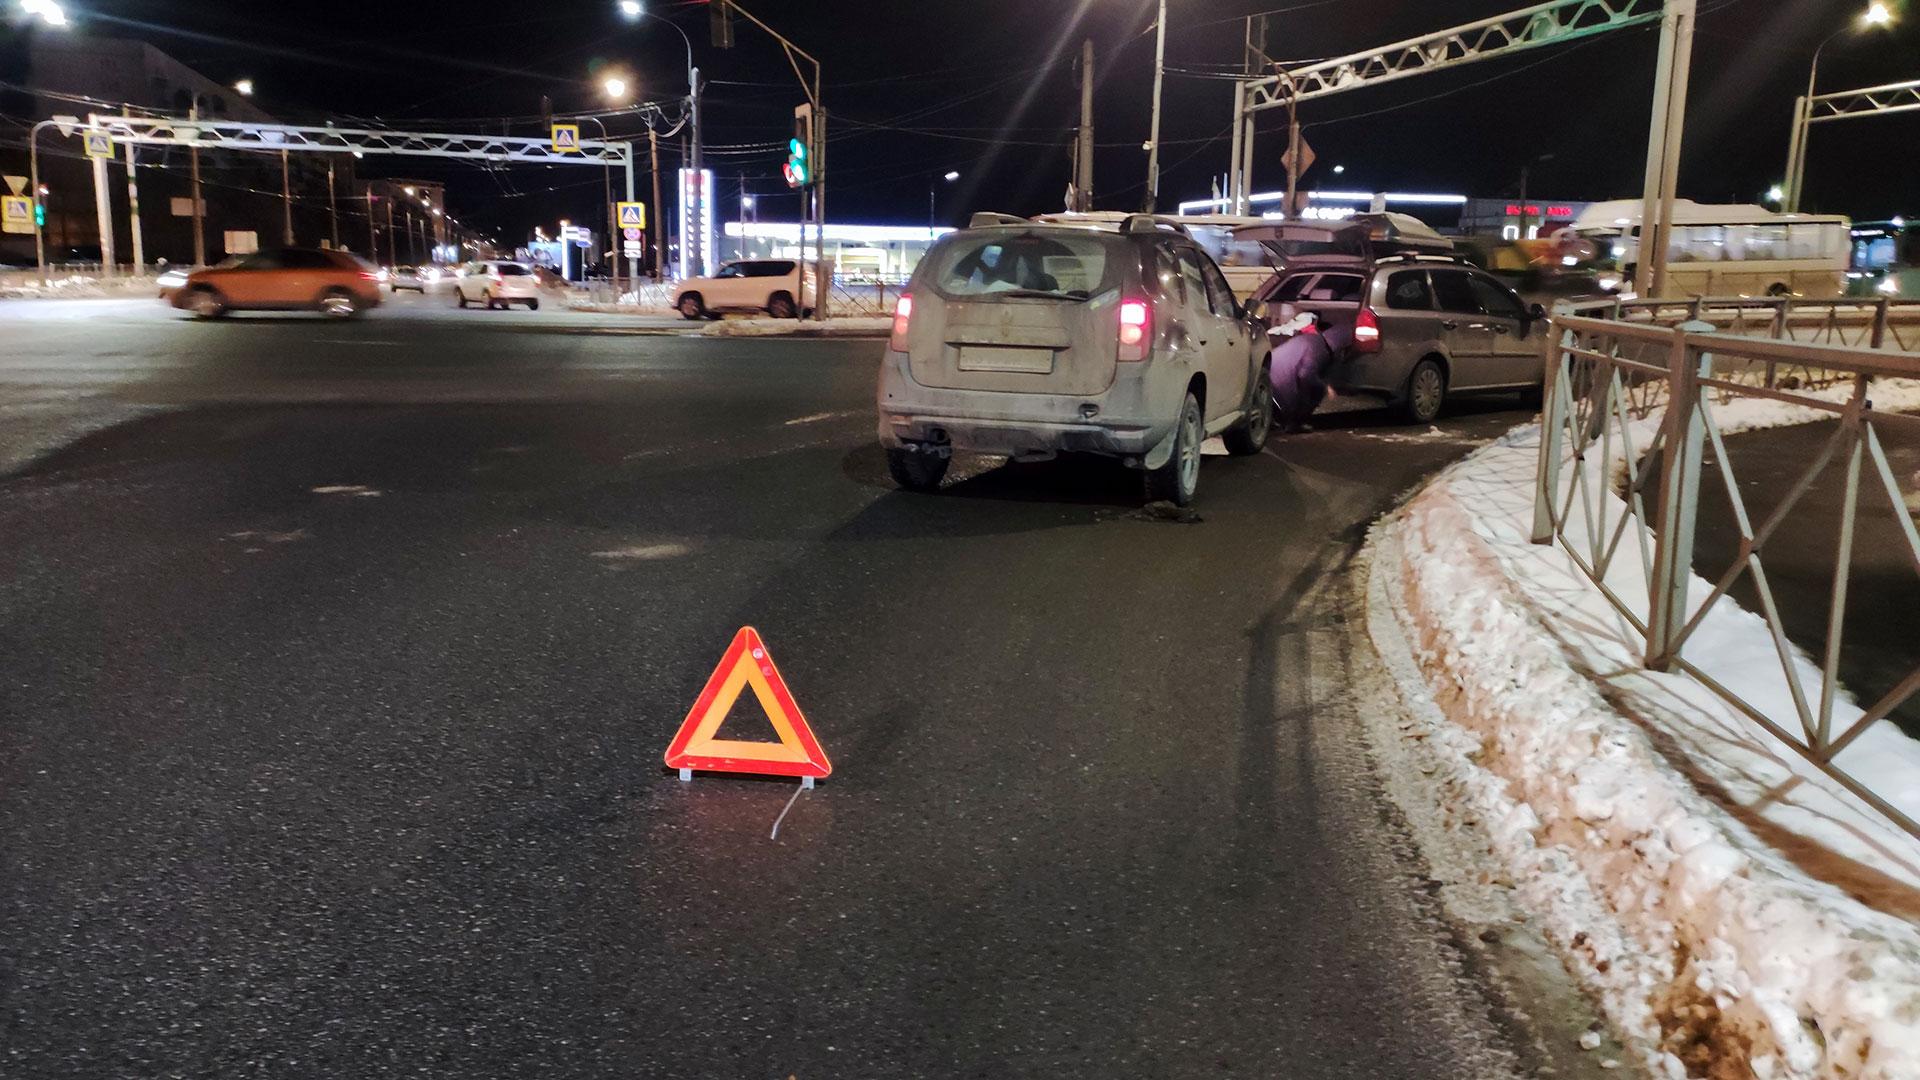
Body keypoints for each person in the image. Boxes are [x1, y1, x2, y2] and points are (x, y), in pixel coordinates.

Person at [1268, 311, 1335, 433]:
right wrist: (1325, 387)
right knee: (1316, 388)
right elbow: (1305, 375)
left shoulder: (1302, 340)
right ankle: (1296, 422)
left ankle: (1279, 419)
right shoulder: (1318, 346)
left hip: (1263, 381)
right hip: (1277, 392)